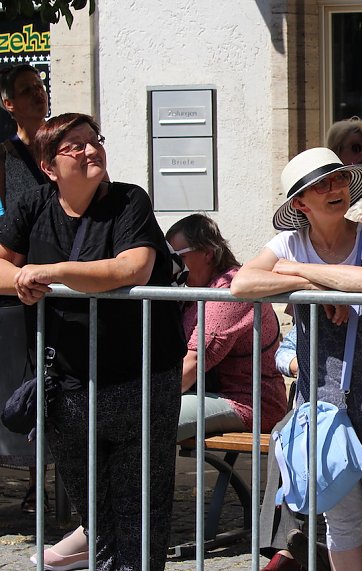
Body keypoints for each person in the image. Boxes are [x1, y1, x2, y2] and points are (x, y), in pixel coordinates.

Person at [0, 113, 186, 570]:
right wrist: (21, 278)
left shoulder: (129, 202)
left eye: (94, 141)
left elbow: (132, 269)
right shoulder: (32, 205)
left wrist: (53, 273)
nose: (90, 151)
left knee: (141, 506)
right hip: (66, 384)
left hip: (140, 379)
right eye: (75, 146)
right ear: (49, 166)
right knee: (95, 510)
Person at [231, 147, 362, 571]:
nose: (333, 188)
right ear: (300, 202)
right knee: (342, 522)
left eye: (337, 179)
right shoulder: (289, 243)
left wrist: (293, 272)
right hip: (323, 405)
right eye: (321, 185)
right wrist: (316, 286)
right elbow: (241, 283)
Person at [165, 213, 288, 441]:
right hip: (209, 394)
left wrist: (141, 399)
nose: (171, 264)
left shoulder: (230, 290)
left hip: (249, 403)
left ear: (207, 253)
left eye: (177, 256)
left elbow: (193, 363)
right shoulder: (195, 290)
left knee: (153, 417)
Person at [0, 64, 48, 515]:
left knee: (50, 388)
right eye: (26, 91)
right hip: (12, 292)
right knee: (15, 389)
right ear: (8, 103)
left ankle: (46, 484)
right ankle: (29, 485)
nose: (38, 95)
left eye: (41, 87)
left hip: (59, 289)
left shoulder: (64, 152)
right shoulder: (5, 158)